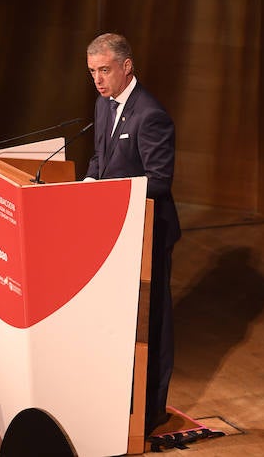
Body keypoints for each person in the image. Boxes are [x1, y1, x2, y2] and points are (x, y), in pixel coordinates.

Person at [85, 32, 181, 437]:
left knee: (151, 320)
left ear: (127, 66)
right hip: (113, 231)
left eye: (104, 70)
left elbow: (159, 180)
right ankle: (116, 398)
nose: (98, 80)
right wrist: (87, 184)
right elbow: (101, 158)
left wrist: (107, 195)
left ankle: (151, 410)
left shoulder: (150, 114)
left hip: (149, 233)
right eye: (92, 73)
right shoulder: (104, 105)